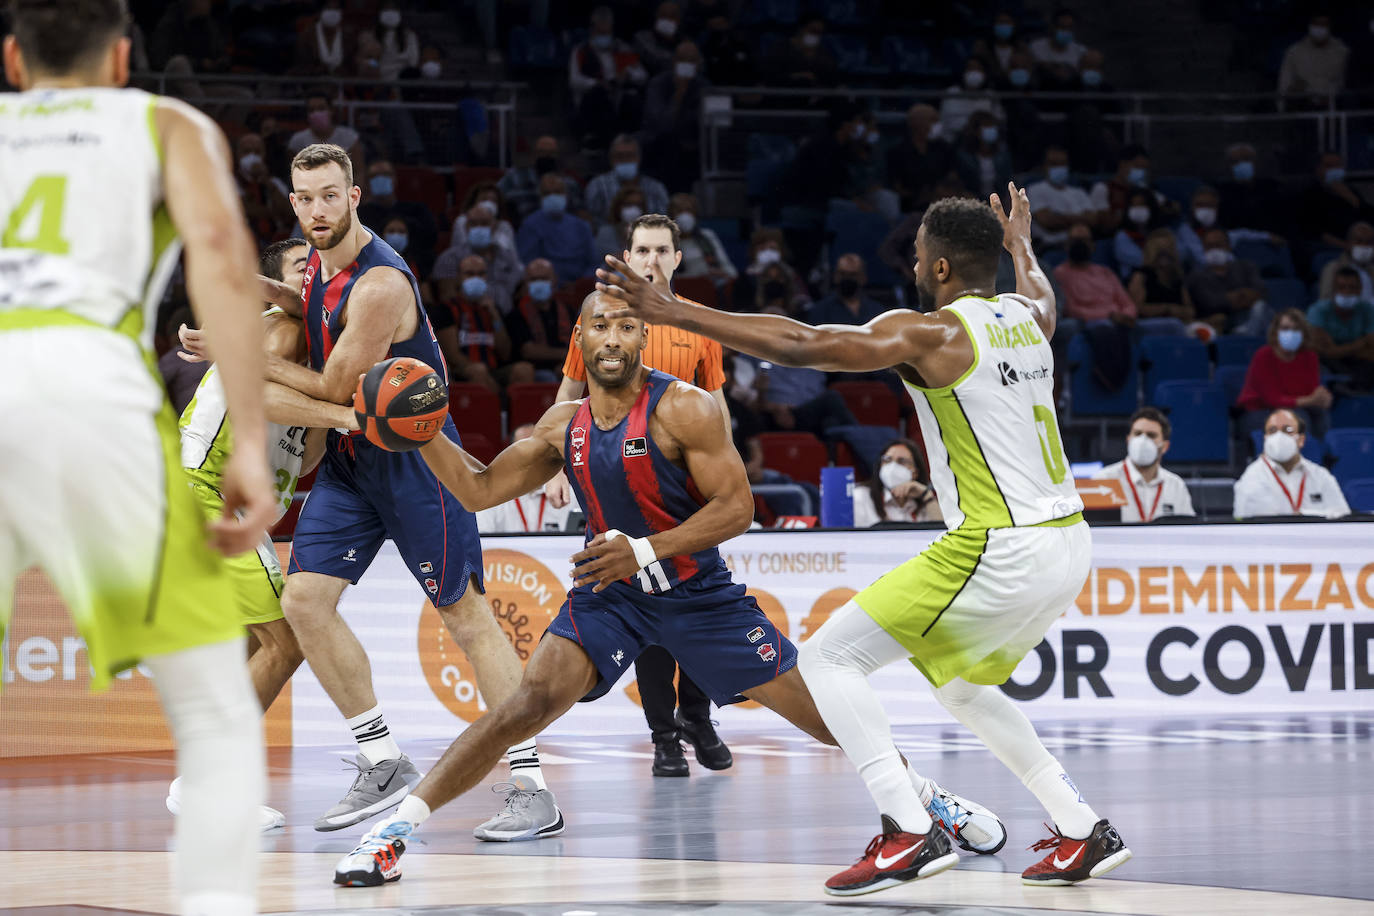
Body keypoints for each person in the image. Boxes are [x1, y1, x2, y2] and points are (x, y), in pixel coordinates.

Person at [332, 291, 1005, 886]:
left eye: (628, 326)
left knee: (826, 720)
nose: (615, 338)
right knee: (524, 705)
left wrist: (643, 549)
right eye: (602, 327)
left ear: (643, 337)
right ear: (580, 341)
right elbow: (478, 489)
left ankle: (926, 799)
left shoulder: (682, 408)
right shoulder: (561, 426)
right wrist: (414, 430)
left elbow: (737, 508)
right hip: (612, 596)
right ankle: (391, 834)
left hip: (696, 594)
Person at [596, 187, 1131, 894]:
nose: (913, 267)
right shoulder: (1030, 316)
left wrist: (678, 312)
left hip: (1000, 542)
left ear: (939, 270)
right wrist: (1022, 244)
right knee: (967, 687)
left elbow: (806, 343)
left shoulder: (935, 333)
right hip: (1068, 541)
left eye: (917, 257)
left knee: (825, 659)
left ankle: (909, 831)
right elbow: (1044, 294)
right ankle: (1080, 826)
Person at [1, 3, 276, 914]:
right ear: (124, 58)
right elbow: (226, 267)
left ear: (11, 58)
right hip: (88, 381)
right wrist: (246, 442)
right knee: (211, 711)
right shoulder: (166, 124)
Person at [258, 143, 560, 839]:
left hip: (419, 457)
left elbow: (336, 386)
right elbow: (309, 307)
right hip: (351, 458)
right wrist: (261, 292)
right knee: (303, 600)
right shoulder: (320, 267)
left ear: (355, 195)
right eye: (304, 199)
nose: (316, 210)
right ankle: (383, 758)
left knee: (466, 617)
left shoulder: (380, 283)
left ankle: (531, 783)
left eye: (330, 196)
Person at [168, 238, 355, 828]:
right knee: (288, 641)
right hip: (207, 492)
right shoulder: (278, 327)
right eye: (304, 269)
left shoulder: (315, 357)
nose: (317, 278)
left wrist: (329, 402)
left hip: (222, 501)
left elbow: (301, 463)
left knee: (253, 648)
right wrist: (344, 412)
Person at [549, 214, 733, 777]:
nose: (651, 260)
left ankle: (697, 717)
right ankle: (663, 738)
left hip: (686, 490)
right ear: (627, 257)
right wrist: (556, 468)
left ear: (678, 259)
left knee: (696, 599)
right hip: (619, 484)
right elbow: (569, 394)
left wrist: (732, 474)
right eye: (642, 250)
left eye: (661, 251)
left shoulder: (697, 325)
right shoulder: (603, 320)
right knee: (648, 610)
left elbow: (718, 409)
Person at [1234, 409, 1349, 519]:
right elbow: (1249, 523)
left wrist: (1304, 515)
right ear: (1265, 439)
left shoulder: (1321, 476)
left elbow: (1342, 516)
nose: (1279, 436)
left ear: (1301, 440)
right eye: (1272, 431)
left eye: (1287, 430)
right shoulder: (1251, 477)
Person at [1238, 309, 1332, 437]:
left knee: (1320, 414)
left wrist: (1322, 398)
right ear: (1275, 332)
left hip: (1296, 406)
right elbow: (1272, 399)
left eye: (1296, 329)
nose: (1291, 333)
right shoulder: (1264, 356)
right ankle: (1300, 454)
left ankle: (1323, 454)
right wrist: (1311, 399)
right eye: (1285, 328)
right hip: (1260, 411)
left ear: (1303, 334)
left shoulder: (1309, 357)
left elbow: (1310, 391)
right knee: (1299, 418)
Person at [1092, 408, 1195, 523]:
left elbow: (1187, 532)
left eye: (1151, 435)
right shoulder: (1104, 479)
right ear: (1128, 440)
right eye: (1137, 433)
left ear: (1165, 446)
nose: (1142, 440)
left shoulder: (1176, 486)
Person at [475, 424, 580, 533]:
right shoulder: (493, 495)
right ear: (510, 456)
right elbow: (484, 543)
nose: (531, 456)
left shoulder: (569, 493)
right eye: (523, 450)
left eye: (537, 449)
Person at [517, 173, 598, 282]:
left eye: (557, 192)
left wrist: (581, 284)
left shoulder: (581, 226)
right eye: (547, 193)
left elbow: (593, 263)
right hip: (545, 285)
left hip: (578, 287)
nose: (552, 196)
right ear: (540, 197)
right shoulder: (530, 226)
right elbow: (528, 263)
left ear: (566, 195)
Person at [1308, 266, 1374, 391]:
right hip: (1330, 362)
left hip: (1357, 363)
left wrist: (1337, 349)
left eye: (1352, 287)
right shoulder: (1318, 310)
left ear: (1360, 290)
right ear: (1333, 290)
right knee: (1316, 357)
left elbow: (1372, 349)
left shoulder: (1367, 310)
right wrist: (1362, 343)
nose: (1347, 292)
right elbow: (1322, 350)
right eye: (1342, 287)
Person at [585, 134, 670, 228]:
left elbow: (664, 223)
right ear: (611, 159)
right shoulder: (597, 186)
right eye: (619, 156)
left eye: (630, 155)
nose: (625, 160)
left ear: (639, 158)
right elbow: (591, 222)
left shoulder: (656, 188)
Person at [852, 439, 942, 527]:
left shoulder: (923, 504)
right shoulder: (860, 497)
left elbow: (943, 533)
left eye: (902, 461)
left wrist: (926, 495)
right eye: (887, 460)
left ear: (915, 473)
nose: (892, 466)